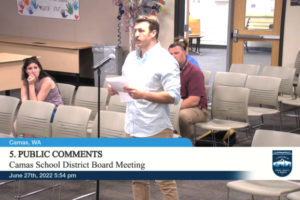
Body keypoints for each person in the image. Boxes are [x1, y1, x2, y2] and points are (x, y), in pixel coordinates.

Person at [108, 15, 180, 200]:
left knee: (164, 181)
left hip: (155, 128)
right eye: (135, 31)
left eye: (141, 31)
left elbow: (174, 96)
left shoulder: (165, 60)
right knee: (137, 178)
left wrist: (144, 94)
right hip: (132, 125)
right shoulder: (131, 58)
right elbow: (127, 86)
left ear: (153, 33)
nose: (136, 35)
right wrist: (115, 89)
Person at [168, 42, 208, 140]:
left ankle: (186, 143)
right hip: (177, 105)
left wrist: (173, 109)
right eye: (170, 54)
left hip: (197, 109)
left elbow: (193, 101)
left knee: (182, 116)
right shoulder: (169, 71)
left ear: (184, 53)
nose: (173, 56)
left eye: (176, 53)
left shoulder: (194, 72)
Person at [21, 56, 63, 122]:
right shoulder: (25, 81)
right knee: (22, 118)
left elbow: (36, 105)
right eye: (30, 68)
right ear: (26, 71)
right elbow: (24, 103)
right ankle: (15, 132)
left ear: (39, 69)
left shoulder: (47, 82)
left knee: (28, 120)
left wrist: (31, 85)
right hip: (40, 110)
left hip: (54, 111)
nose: (33, 71)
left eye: (35, 68)